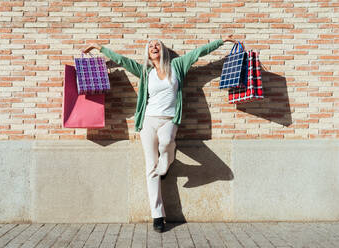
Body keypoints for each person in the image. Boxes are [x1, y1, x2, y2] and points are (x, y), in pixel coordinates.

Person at [83, 35, 237, 232]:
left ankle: (168, 160)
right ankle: (157, 215)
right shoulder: (146, 72)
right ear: (148, 53)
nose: (154, 46)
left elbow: (199, 53)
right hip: (148, 120)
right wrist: (100, 47)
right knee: (151, 167)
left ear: (163, 50)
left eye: (157, 44)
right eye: (150, 45)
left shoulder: (178, 65)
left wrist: (221, 41)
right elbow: (123, 61)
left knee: (166, 142)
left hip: (170, 119)